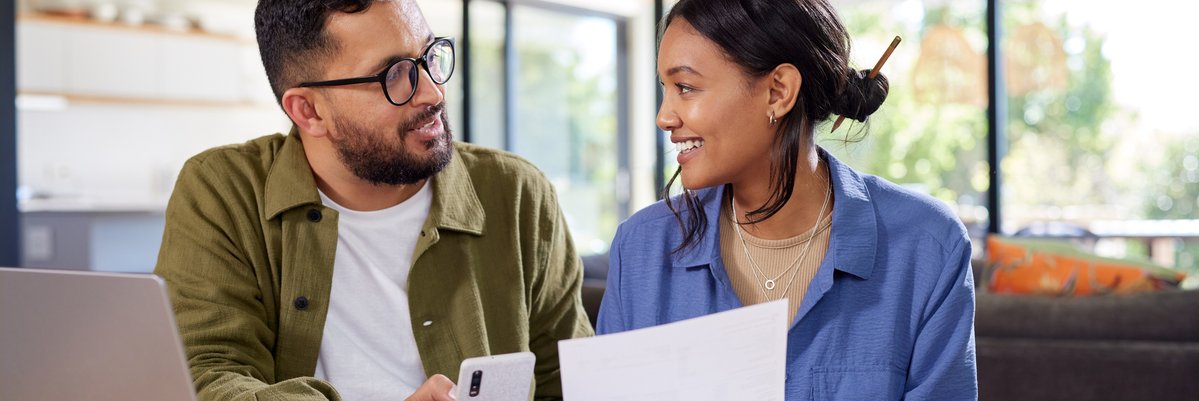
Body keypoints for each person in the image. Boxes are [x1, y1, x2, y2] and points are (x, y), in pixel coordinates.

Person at [153, 1, 593, 400]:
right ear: (308, 110)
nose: (432, 93)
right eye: (394, 75)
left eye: (430, 56)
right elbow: (207, 376)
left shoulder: (516, 193)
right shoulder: (222, 191)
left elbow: (574, 382)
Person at [596, 0, 978, 399]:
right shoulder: (639, 249)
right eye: (666, 89)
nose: (664, 116)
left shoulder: (928, 246)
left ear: (778, 92)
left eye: (686, 87)